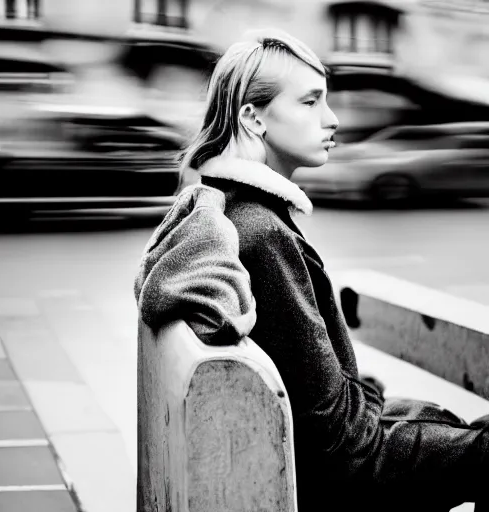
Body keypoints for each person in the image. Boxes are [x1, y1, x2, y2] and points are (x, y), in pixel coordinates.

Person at [135, 29, 489, 511]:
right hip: (336, 481)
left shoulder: (234, 213)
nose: (332, 119)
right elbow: (342, 453)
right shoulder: (265, 235)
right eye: (310, 102)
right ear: (253, 117)